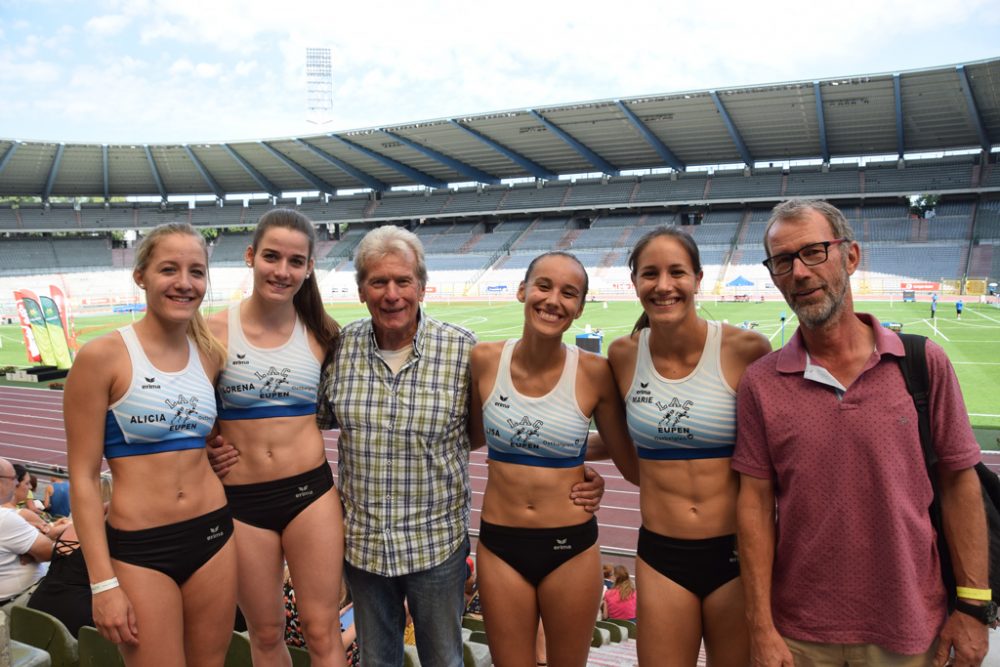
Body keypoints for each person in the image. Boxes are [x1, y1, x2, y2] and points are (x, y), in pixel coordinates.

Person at [312, 226, 605, 667]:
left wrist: (570, 465)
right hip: (365, 548)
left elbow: (496, 430)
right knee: (377, 662)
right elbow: (305, 424)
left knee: (445, 661)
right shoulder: (339, 350)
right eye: (378, 282)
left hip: (436, 548)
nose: (392, 294)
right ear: (361, 291)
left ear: (422, 286)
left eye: (403, 281)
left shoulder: (462, 350)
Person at [734, 199, 989, 666]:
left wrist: (973, 605)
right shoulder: (761, 382)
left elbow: (960, 483)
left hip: (910, 628)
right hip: (798, 635)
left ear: (850, 256)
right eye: (783, 261)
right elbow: (753, 505)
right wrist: (760, 626)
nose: (799, 273)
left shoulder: (922, 364)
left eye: (813, 252)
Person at [66, 222, 238, 666]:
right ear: (140, 275)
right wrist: (103, 585)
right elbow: (83, 478)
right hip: (142, 550)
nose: (184, 283)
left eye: (196, 272)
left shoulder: (210, 354)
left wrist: (216, 450)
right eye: (169, 269)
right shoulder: (101, 356)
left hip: (213, 536)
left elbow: (200, 436)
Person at [607, 227, 771, 667]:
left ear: (698, 279)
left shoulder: (747, 349)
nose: (663, 285)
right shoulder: (622, 355)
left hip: (737, 554)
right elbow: (619, 438)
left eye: (676, 272)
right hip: (662, 555)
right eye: (650, 274)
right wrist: (568, 462)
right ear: (634, 282)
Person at [468, 250, 634, 667]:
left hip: (570, 546)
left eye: (569, 293)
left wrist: (581, 460)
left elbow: (626, 455)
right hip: (500, 544)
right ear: (523, 290)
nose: (553, 299)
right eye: (543, 286)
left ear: (579, 309)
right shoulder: (485, 360)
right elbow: (473, 437)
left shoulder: (595, 372)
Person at [207, 209, 346, 667]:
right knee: (265, 633)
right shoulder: (212, 332)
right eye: (271, 257)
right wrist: (208, 444)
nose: (282, 271)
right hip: (243, 503)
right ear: (251, 256)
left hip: (310, 495)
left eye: (295, 261)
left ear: (308, 268)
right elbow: (184, 406)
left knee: (321, 630)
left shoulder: (324, 335)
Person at [0, 457, 64, 609]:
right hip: (16, 603)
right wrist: (33, 550)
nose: (16, 483)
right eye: (13, 478)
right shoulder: (6, 518)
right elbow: (49, 552)